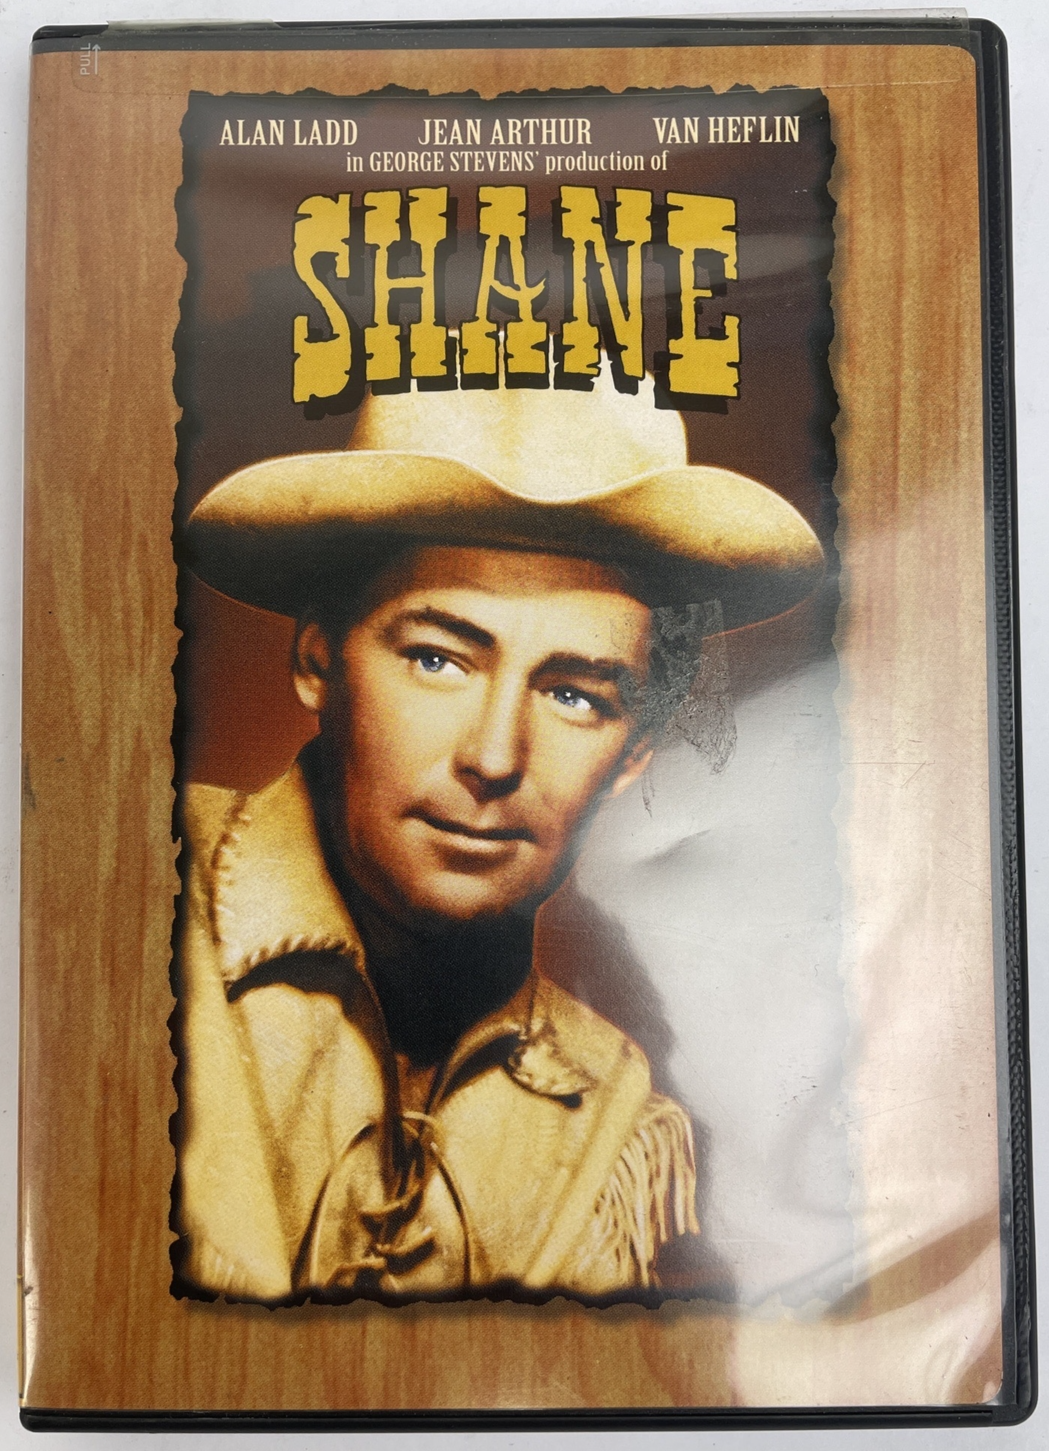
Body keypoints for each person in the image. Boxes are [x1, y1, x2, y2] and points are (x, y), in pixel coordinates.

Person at [173, 374, 823, 1304]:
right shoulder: (125, 916)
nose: (492, 756)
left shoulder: (606, 1105)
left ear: (634, 752)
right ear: (317, 661)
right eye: (437, 658)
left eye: (573, 695)